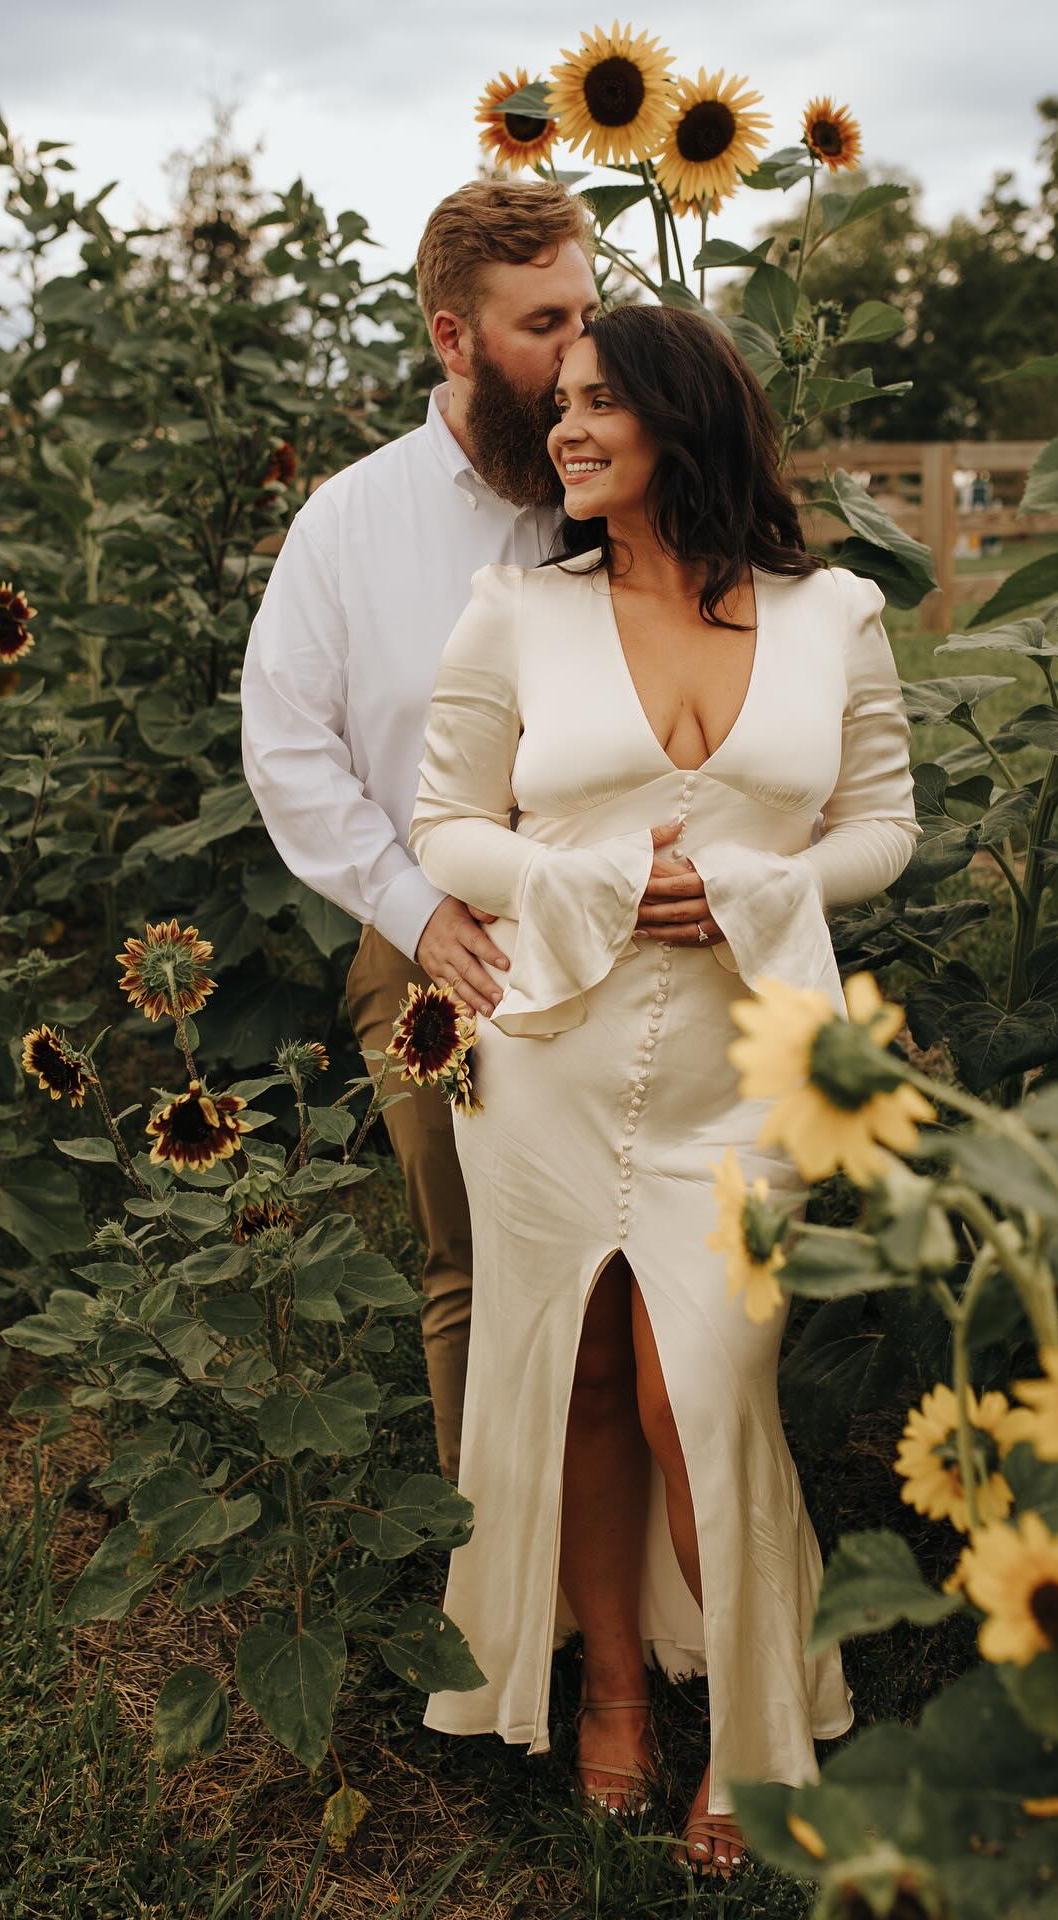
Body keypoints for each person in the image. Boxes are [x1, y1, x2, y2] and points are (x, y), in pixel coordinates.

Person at [408, 304, 921, 1875]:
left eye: (595, 407)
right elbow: (445, 824)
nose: (562, 433)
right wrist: (599, 881)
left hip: (743, 1061)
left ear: (681, 421)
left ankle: (758, 1733)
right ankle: (614, 1698)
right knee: (572, 1368)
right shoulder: (515, 611)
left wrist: (768, 888)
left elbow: (879, 823)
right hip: (549, 1052)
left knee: (701, 1388)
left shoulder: (834, 611)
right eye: (558, 406)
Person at [240, 179, 602, 1480]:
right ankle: (499, 1592)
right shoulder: (352, 523)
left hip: (619, 924)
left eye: (589, 313)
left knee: (628, 1258)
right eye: (543, 325)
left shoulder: (620, 487)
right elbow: (286, 750)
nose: (580, 355)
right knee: (472, 1269)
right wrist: (416, 912)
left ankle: (625, 1554)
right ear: (454, 340)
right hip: (430, 949)